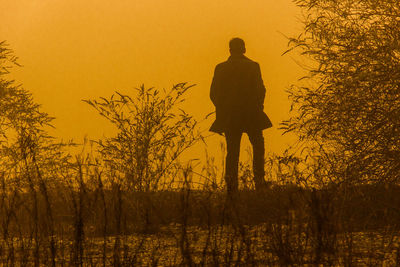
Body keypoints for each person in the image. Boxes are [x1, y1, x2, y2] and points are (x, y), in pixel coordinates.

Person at [209, 38, 272, 194]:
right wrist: (258, 107)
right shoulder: (253, 66)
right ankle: (259, 182)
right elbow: (261, 90)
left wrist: (223, 110)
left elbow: (213, 94)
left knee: (232, 151)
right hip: (252, 114)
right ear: (244, 49)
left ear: (230, 50)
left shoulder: (221, 68)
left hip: (231, 117)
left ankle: (231, 187)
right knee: (258, 146)